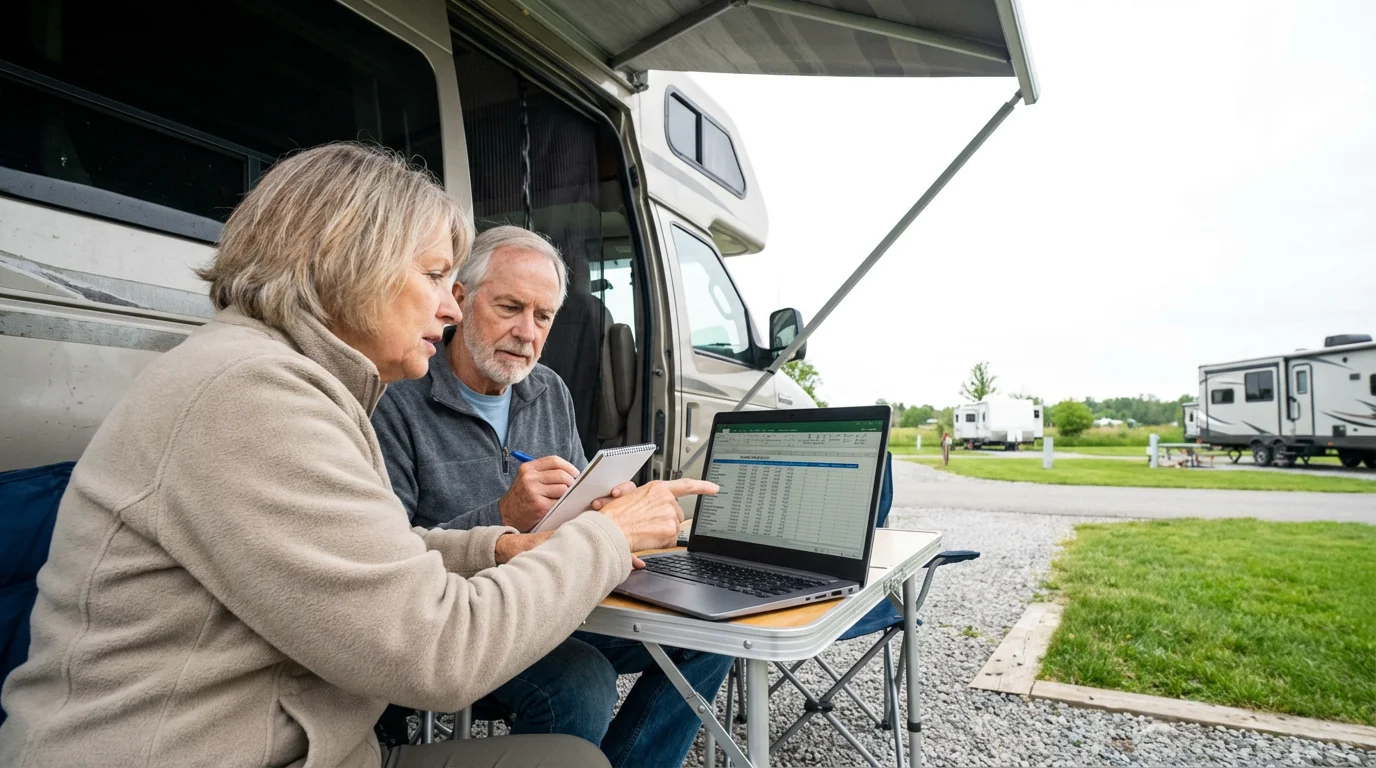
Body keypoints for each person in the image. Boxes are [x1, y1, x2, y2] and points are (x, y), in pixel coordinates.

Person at [0, 143, 715, 768]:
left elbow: (369, 548)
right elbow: (439, 654)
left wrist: (499, 546)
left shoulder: (297, 379)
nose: (450, 307)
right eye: (437, 276)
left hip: (300, 736)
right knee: (576, 705)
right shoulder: (255, 394)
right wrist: (604, 538)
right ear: (352, 263)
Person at [371, 226, 733, 768]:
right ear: (461, 301)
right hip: (462, 619)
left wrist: (610, 508)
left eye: (542, 317)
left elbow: (574, 505)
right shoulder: (399, 396)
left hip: (560, 593)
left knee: (709, 628)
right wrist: (503, 516)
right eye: (510, 307)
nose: (526, 332)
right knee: (582, 681)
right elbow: (386, 554)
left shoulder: (549, 389)